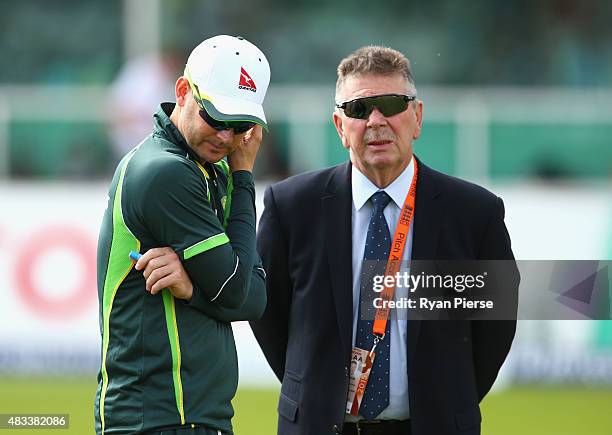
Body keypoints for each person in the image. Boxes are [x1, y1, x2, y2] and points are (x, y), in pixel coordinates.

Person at [250, 46, 519, 435]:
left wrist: (450, 399)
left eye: (391, 104)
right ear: (340, 126)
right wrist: (313, 392)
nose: (376, 121)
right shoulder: (291, 207)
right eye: (359, 109)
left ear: (417, 117)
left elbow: (496, 325)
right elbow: (267, 312)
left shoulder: (475, 213)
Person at [95, 35, 270, 435]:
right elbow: (235, 290)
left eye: (239, 125)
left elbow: (256, 298)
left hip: (191, 417)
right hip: (157, 418)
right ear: (182, 92)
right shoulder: (165, 172)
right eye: (215, 116)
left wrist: (193, 288)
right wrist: (244, 176)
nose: (227, 137)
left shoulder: (206, 169)